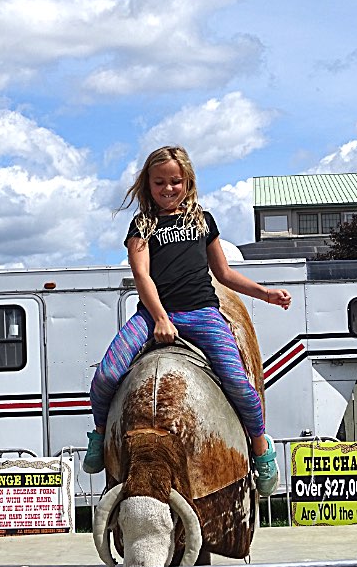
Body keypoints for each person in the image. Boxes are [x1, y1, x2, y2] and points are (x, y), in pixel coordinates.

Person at [84, 145, 291, 497]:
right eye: (159, 182)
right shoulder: (142, 225)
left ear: (188, 182)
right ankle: (101, 435)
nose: (168, 189)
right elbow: (142, 276)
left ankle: (260, 448)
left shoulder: (202, 221)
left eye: (175, 181)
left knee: (240, 384)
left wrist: (265, 294)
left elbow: (223, 273)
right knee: (106, 375)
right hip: (153, 317)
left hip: (203, 312)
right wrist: (161, 318)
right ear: (147, 185)